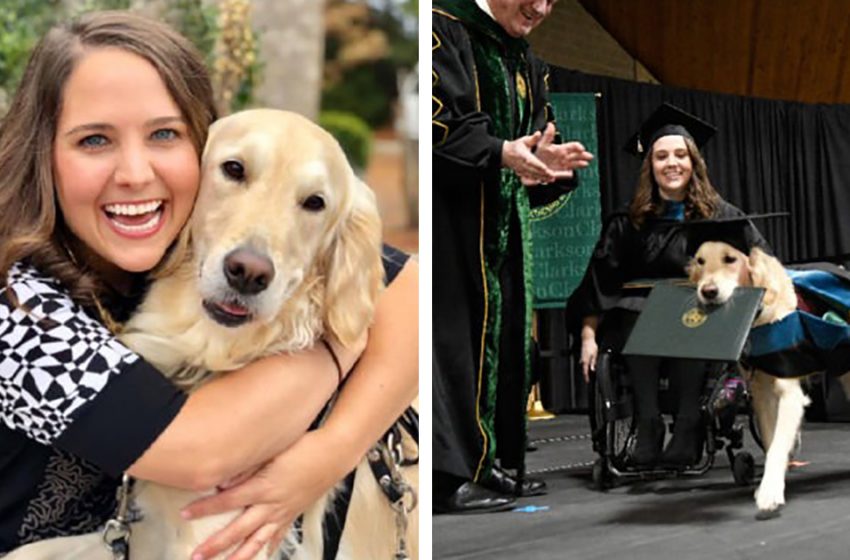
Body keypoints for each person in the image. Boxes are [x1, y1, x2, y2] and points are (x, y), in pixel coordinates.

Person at [0, 11, 418, 559]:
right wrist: (340, 352)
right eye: (94, 140)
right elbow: (201, 450)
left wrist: (334, 447)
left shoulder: (171, 241)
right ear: (43, 151)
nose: (135, 173)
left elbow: (409, 286)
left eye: (164, 134)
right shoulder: (16, 308)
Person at [432, 0, 594, 514]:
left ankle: (489, 461)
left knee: (499, 342)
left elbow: (535, 145)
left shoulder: (525, 61)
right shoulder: (439, 28)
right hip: (448, 228)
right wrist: (500, 152)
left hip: (502, 233)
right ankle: (447, 474)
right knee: (453, 339)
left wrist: (545, 166)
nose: (541, 8)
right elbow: (431, 121)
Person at [569, 103, 767, 468]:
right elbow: (599, 282)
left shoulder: (721, 217)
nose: (671, 163)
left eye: (680, 155)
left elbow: (761, 265)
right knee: (637, 314)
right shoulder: (628, 222)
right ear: (651, 166)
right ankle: (648, 425)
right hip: (637, 322)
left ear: (694, 163)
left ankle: (689, 423)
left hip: (703, 320)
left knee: (689, 313)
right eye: (661, 156)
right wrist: (587, 337)